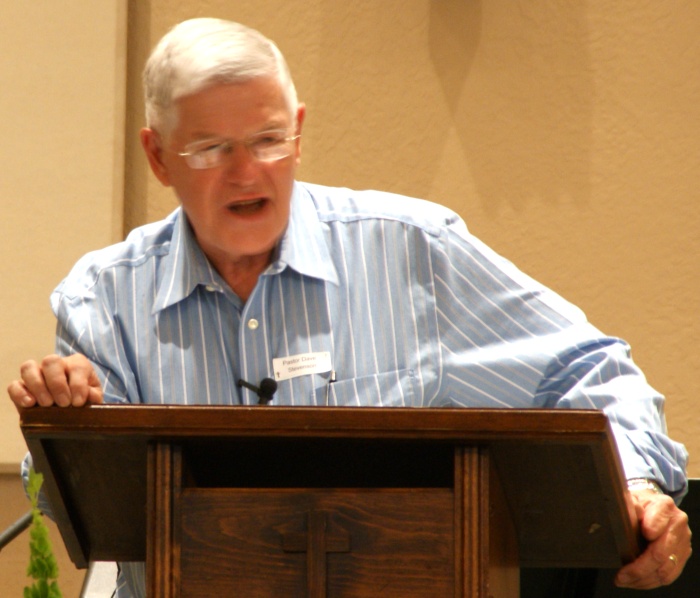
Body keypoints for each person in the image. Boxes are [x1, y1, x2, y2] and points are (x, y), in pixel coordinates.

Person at [7, 17, 691, 597]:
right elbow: (74, 511)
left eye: (269, 140)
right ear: (158, 156)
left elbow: (596, 373)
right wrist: (67, 424)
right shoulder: (105, 297)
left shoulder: (411, 253)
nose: (248, 172)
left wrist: (634, 486)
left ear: (299, 132)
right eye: (213, 148)